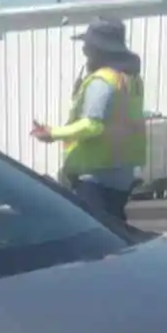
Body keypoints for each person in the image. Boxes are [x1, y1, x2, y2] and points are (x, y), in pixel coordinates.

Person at [31, 18, 146, 222]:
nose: (84, 51)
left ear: (98, 49)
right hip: (122, 172)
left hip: (96, 175)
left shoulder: (103, 81)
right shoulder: (131, 79)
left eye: (87, 46)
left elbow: (93, 124)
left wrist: (52, 133)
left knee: (97, 240)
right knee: (115, 235)